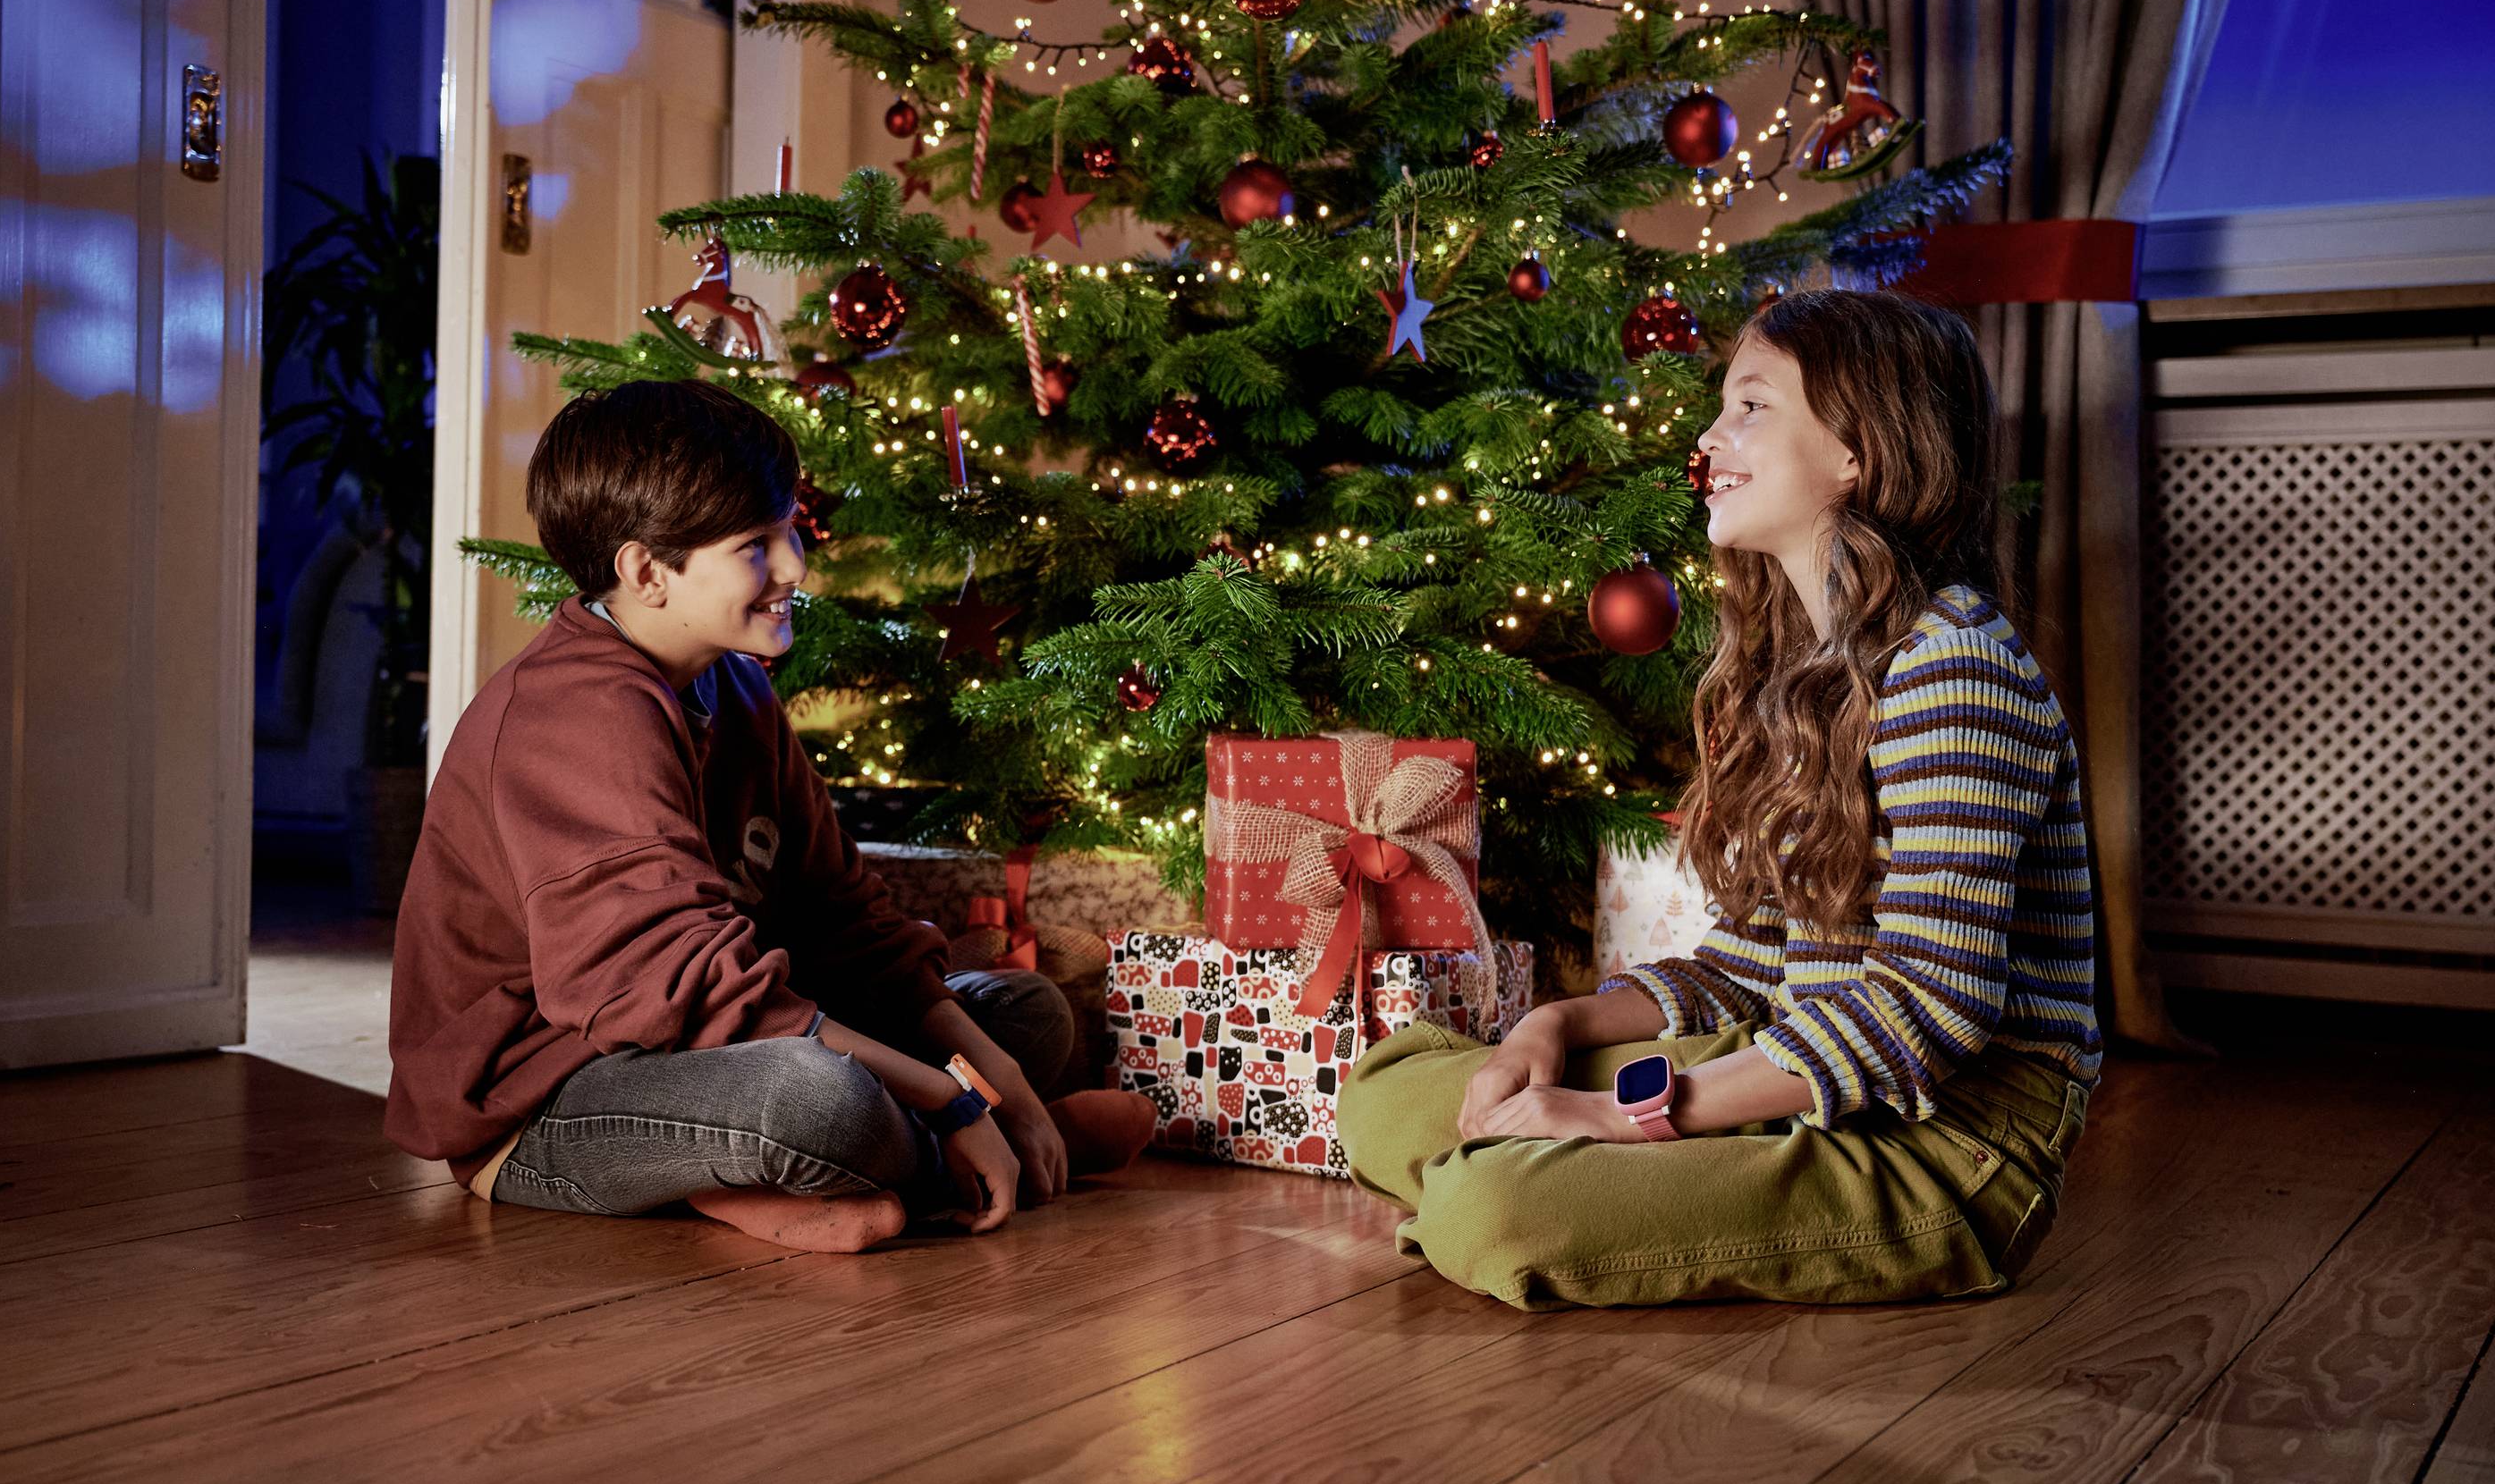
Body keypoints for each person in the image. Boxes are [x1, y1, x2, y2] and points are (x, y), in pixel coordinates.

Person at [1336, 289, 2100, 1309]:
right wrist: (1556, 1027)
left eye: (1752, 407)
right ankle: (1547, 1178)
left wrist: (1627, 1114)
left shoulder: (1953, 668)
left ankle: (1519, 1195)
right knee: (1385, 1098)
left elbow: (1929, 1006)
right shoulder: (1805, 663)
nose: (1709, 437)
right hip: (1804, 1059)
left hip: (1947, 1140)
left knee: (1493, 1208)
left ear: (1858, 452)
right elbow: (1757, 957)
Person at [385, 378, 1152, 1253]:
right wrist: (960, 1098)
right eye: (757, 544)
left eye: (789, 530)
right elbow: (685, 989)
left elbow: (844, 917)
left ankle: (799, 1182)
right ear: (646, 570)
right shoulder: (574, 716)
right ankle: (961, 1162)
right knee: (818, 1098)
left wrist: (999, 1074)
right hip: (547, 1094)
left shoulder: (733, 682)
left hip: (710, 1038)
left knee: (1024, 1014)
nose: (794, 566)